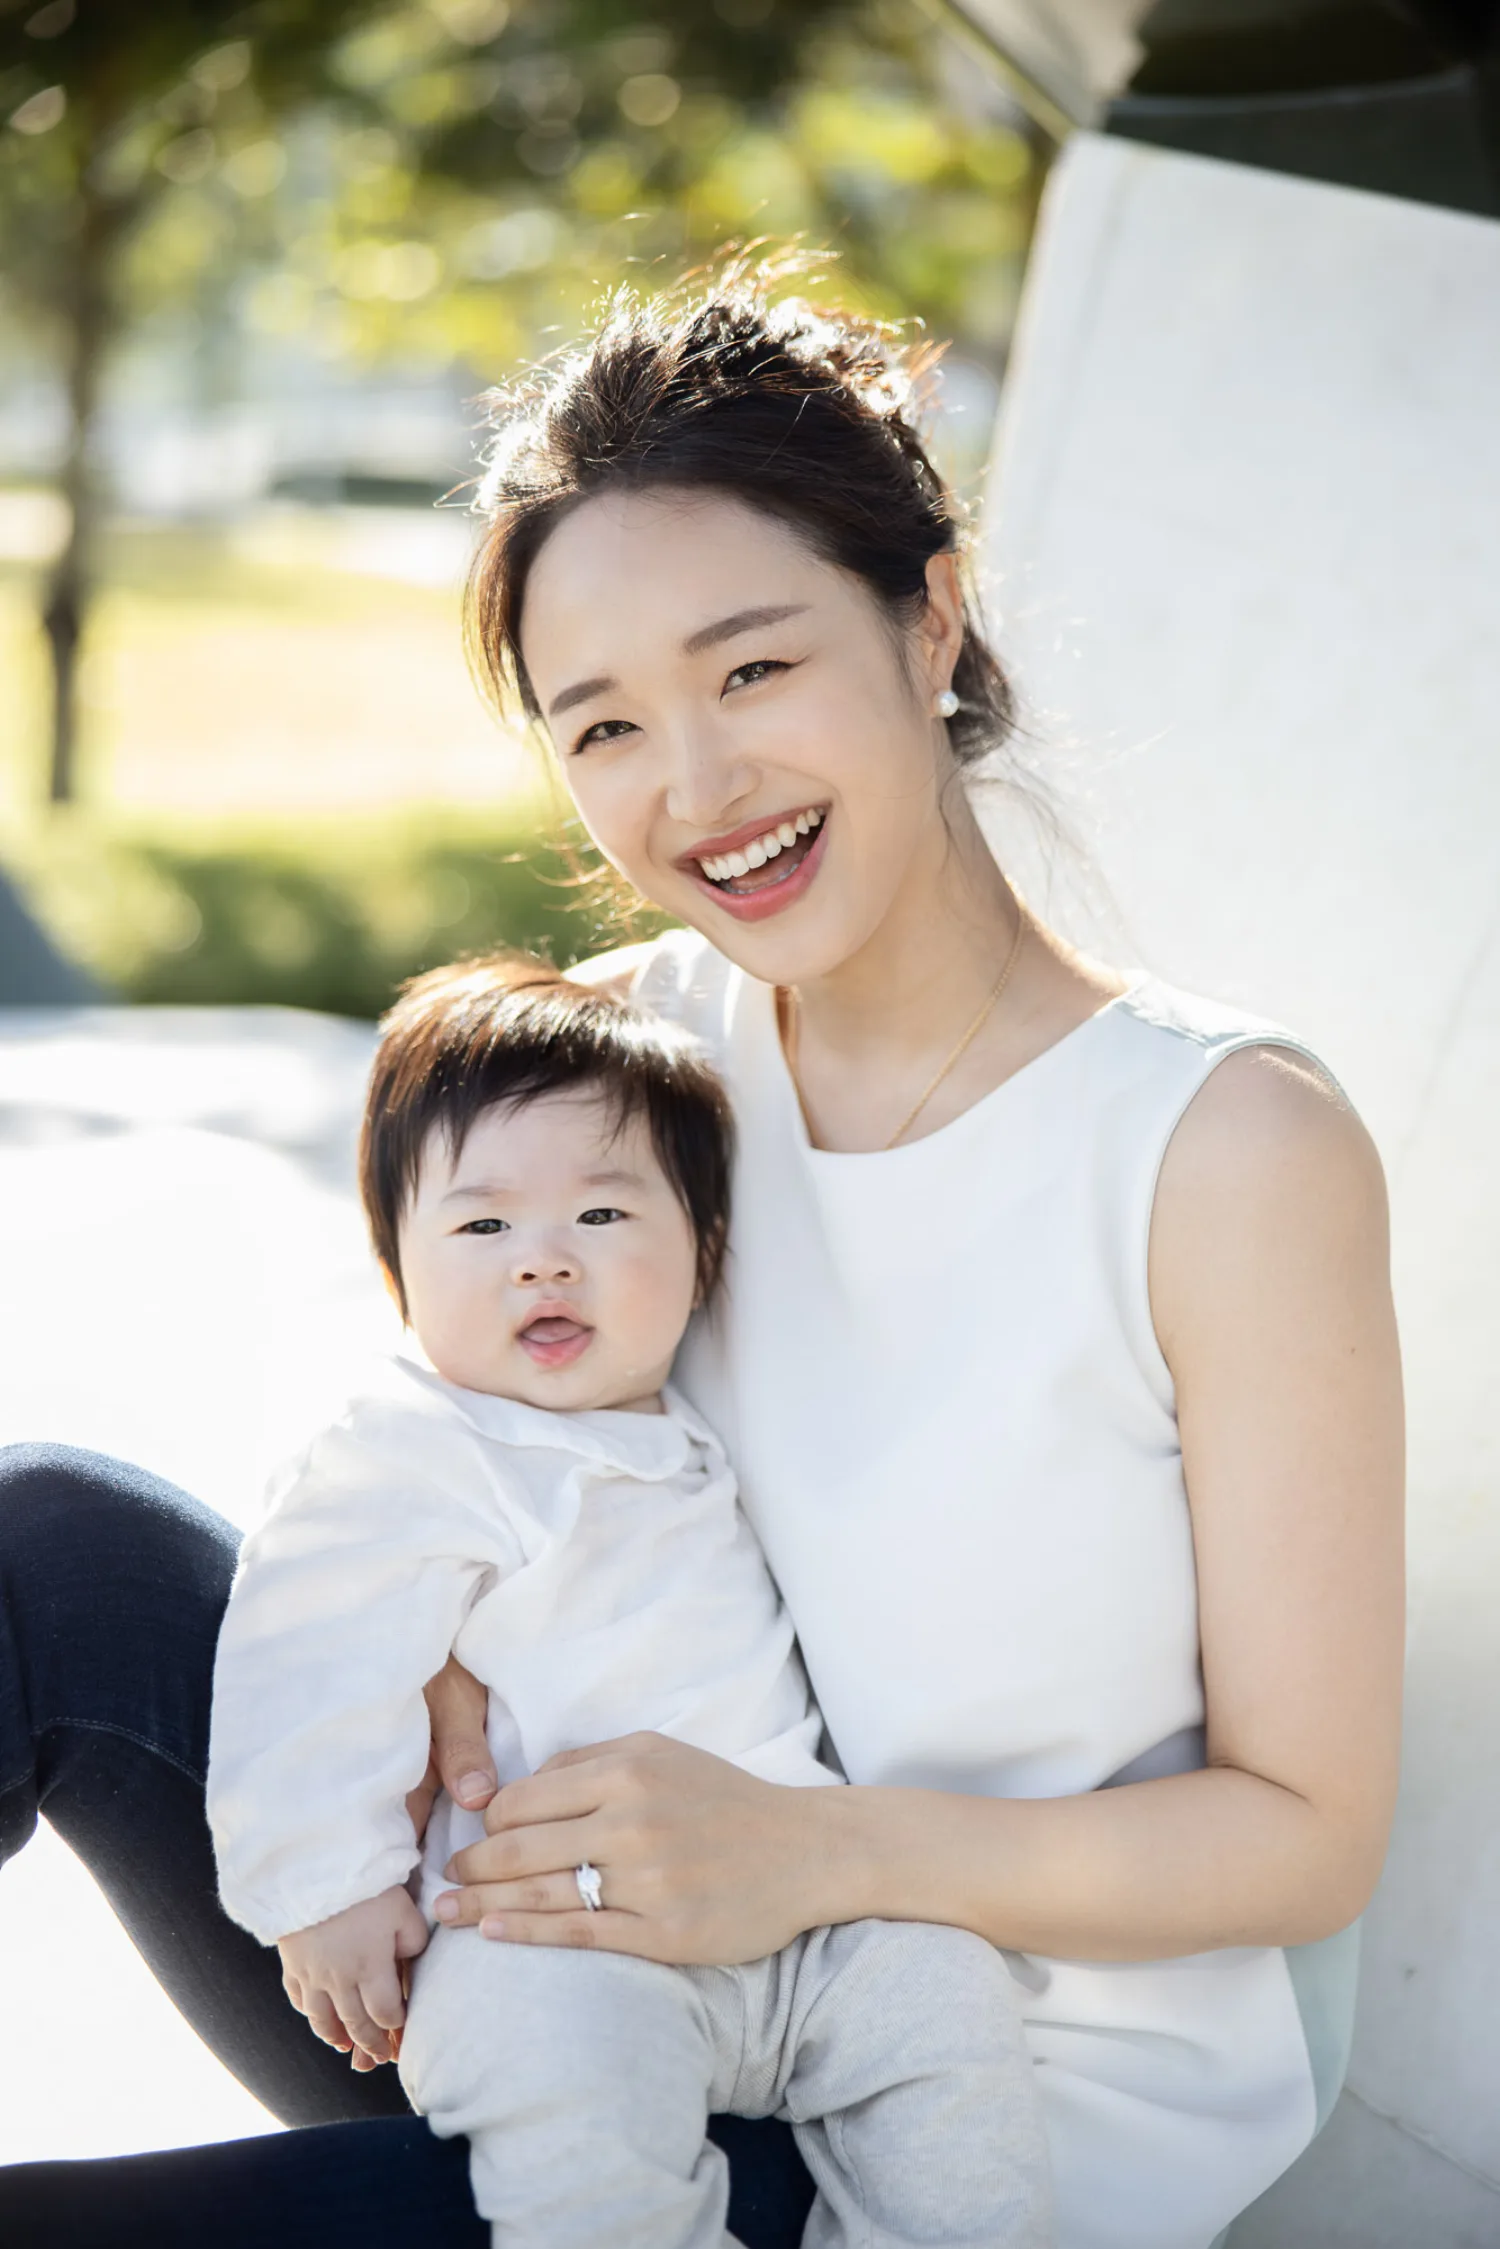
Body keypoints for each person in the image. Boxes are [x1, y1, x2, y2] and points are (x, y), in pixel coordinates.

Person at [0, 263, 1404, 2249]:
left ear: (930, 617)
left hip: (934, 2108)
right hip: (546, 1981)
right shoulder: (630, 1060)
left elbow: (1305, 1835)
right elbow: (432, 1464)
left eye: (751, 671)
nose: (697, 791)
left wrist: (812, 1856)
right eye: (605, 725)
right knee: (47, 1541)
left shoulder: (1222, 1146)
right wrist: (435, 1669)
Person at [207, 954, 1052, 2249]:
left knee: (946, 1997)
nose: (543, 1264)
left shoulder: (697, 1420)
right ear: (396, 1274)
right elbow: (307, 1648)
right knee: (575, 2124)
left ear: (704, 1254)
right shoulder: (415, 1447)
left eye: (601, 1217)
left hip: (802, 1929)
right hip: (557, 1934)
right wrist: (327, 1882)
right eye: (482, 1230)